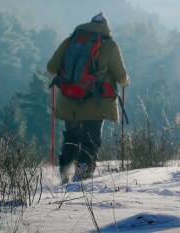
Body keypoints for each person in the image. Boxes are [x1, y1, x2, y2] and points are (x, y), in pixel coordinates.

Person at [47, 13, 129, 183]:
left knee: (71, 137)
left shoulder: (71, 40)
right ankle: (82, 176)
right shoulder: (109, 45)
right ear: (106, 26)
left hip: (69, 99)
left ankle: (64, 174)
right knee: (90, 140)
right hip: (96, 102)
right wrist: (126, 81)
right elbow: (121, 77)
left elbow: (51, 67)